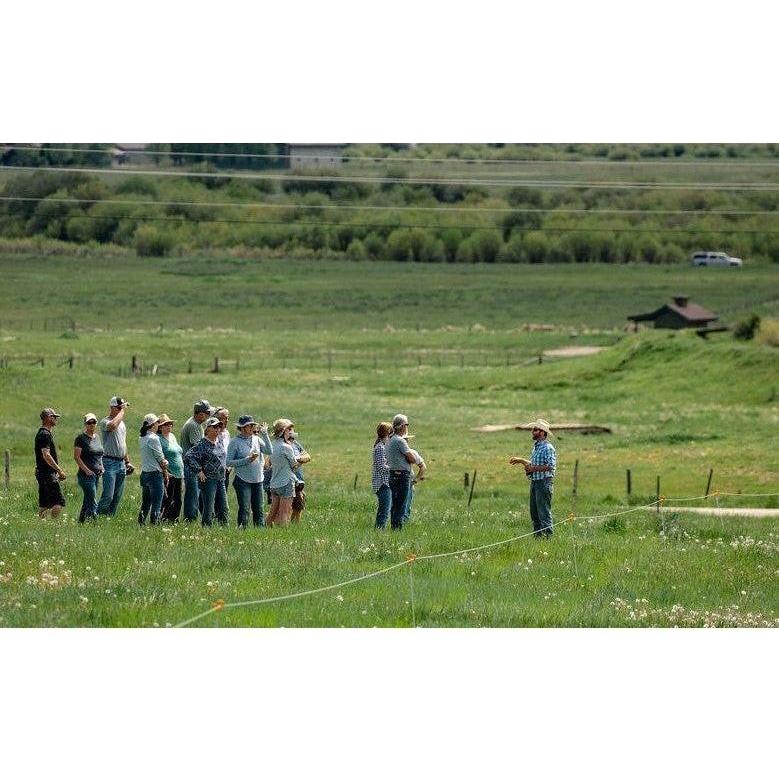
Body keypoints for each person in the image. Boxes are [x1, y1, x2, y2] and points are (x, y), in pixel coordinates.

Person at [509, 418, 556, 538]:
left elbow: (550, 466)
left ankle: (547, 538)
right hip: (535, 482)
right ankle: (538, 539)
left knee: (543, 512)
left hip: (544, 483)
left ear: (542, 432)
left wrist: (533, 469)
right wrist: (523, 461)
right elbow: (536, 464)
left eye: (535, 430)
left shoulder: (548, 448)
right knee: (534, 514)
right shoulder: (536, 447)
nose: (532, 432)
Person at [226, 415, 272, 528]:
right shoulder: (234, 442)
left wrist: (265, 434)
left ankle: (259, 531)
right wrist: (246, 460)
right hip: (242, 480)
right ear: (241, 428)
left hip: (258, 479)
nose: (252, 427)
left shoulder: (257, 439)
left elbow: (269, 451)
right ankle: (242, 530)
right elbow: (228, 462)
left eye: (253, 425)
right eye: (249, 426)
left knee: (259, 508)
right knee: (245, 508)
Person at [183, 417, 228, 527]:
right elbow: (188, 457)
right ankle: (207, 528)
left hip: (221, 479)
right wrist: (199, 471)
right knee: (209, 507)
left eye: (219, 427)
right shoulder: (201, 444)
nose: (217, 429)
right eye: (214, 427)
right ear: (207, 429)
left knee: (223, 507)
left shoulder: (219, 442)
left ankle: (224, 529)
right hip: (209, 480)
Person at [266, 419, 308, 527]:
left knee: (272, 513)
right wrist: (301, 461)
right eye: (288, 430)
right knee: (284, 513)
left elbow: (268, 464)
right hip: (286, 483)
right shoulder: (287, 447)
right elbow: (294, 466)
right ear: (283, 431)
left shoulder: (273, 445)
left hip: (274, 484)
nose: (291, 432)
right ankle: (280, 535)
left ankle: (265, 530)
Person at [96, 396, 134, 517]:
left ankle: (109, 518)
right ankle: (95, 517)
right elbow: (112, 426)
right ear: (111, 408)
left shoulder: (122, 424)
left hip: (121, 463)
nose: (119, 410)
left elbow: (123, 443)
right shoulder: (105, 421)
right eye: (117, 408)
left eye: (120, 408)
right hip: (109, 462)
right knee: (108, 495)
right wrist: (123, 410)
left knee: (117, 496)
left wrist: (127, 462)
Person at [180, 399, 213, 523]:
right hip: (191, 467)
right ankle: (190, 520)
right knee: (192, 495)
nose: (208, 416)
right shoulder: (193, 426)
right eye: (207, 413)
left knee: (195, 495)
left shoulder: (197, 424)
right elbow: (198, 448)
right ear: (199, 413)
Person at [385, 414, 418, 530]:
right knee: (401, 505)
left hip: (392, 475)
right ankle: (397, 530)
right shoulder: (400, 441)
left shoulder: (390, 439)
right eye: (407, 425)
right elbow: (412, 459)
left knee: (394, 504)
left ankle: (394, 527)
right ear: (403, 426)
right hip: (402, 476)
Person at [34, 408, 66, 518]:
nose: (56, 419)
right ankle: (54, 525)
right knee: (58, 502)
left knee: (45, 503)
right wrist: (59, 470)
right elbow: (46, 455)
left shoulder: (42, 433)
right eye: (54, 417)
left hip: (42, 472)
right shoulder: (45, 434)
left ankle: (41, 524)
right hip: (47, 473)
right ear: (48, 418)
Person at [138, 414, 168, 526]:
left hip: (145, 473)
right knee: (157, 502)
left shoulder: (142, 438)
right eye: (157, 423)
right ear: (152, 425)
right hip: (155, 474)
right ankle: (154, 525)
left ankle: (141, 523)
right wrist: (166, 467)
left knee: (145, 502)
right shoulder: (154, 438)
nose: (158, 424)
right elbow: (161, 459)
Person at [73, 412, 104, 522]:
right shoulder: (80, 438)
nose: (92, 424)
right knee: (92, 500)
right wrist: (86, 470)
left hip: (97, 474)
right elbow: (76, 457)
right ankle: (95, 523)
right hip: (85, 476)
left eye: (94, 422)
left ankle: (81, 522)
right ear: (85, 424)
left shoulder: (97, 437)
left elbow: (100, 454)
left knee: (87, 500)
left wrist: (102, 467)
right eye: (89, 422)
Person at [158, 414, 184, 521]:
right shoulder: (158, 439)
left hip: (179, 473)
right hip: (169, 474)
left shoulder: (172, 436)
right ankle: (163, 519)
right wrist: (166, 472)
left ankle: (174, 521)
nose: (169, 427)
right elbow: (159, 456)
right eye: (165, 425)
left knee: (178, 500)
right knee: (168, 499)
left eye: (170, 424)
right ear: (160, 427)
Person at [371, 422, 393, 529]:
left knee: (386, 510)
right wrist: (394, 467)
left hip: (386, 483)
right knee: (384, 510)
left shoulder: (384, 446)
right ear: (388, 433)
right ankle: (379, 530)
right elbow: (381, 468)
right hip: (382, 484)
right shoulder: (380, 447)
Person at [288, 426, 311, 523]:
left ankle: (293, 525)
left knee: (298, 505)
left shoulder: (295, 444)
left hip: (299, 481)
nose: (292, 433)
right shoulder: (279, 445)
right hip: (287, 480)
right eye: (289, 430)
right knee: (287, 506)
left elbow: (307, 456)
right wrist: (298, 460)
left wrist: (299, 460)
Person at [403, 435, 426, 524]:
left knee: (406, 508)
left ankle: (402, 528)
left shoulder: (411, 452)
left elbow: (423, 467)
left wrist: (415, 480)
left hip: (408, 484)